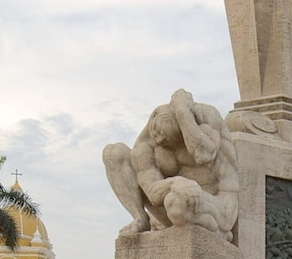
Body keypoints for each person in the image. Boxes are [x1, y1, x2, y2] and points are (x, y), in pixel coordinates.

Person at [103, 89, 242, 241]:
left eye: (166, 136)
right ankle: (140, 218)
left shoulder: (205, 117)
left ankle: (217, 230)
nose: (158, 138)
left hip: (217, 202)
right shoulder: (148, 142)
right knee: (114, 153)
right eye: (155, 131)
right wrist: (176, 182)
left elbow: (204, 155)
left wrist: (182, 113)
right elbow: (152, 192)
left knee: (176, 203)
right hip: (173, 197)